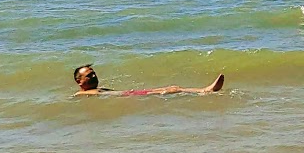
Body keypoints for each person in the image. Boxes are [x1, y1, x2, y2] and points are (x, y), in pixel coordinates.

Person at [72, 64, 225, 97]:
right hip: (131, 96)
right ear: (79, 82)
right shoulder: (82, 94)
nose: (94, 77)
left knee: (173, 87)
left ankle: (205, 90)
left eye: (94, 74)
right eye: (89, 76)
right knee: (171, 90)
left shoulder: (98, 90)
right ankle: (206, 91)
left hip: (131, 94)